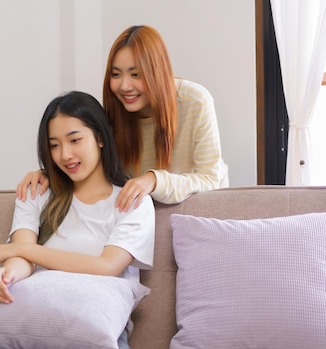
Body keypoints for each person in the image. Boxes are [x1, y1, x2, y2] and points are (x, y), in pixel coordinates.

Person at [0, 91, 155, 349]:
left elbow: (107, 266)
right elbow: (22, 259)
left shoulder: (130, 202)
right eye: (54, 145)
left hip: (94, 344)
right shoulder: (39, 193)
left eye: (74, 140)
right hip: (31, 330)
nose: (64, 154)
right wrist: (7, 274)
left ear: (99, 137)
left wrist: (24, 249)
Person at [17, 25, 229, 211]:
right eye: (116, 74)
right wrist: (48, 174)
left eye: (135, 74)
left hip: (194, 214)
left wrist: (153, 180)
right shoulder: (115, 112)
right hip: (137, 217)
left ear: (157, 72)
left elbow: (211, 180)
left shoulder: (194, 101)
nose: (124, 86)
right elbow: (93, 166)